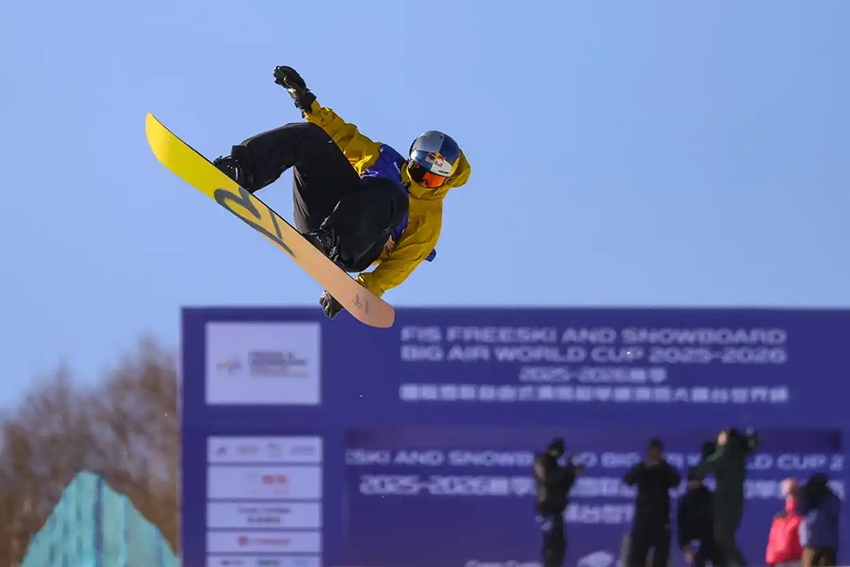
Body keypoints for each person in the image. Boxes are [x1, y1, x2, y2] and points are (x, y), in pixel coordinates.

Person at [213, 66, 471, 318]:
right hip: (319, 220)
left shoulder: (429, 218)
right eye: (417, 171)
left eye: (432, 180)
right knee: (312, 136)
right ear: (411, 159)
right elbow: (342, 135)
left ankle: (330, 240)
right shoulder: (382, 159)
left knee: (392, 194)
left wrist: (356, 291)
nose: (422, 182)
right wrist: (307, 103)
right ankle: (242, 171)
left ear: (445, 182)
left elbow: (401, 265)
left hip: (353, 247)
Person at [690, 427, 759, 567]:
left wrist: (708, 455)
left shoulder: (723, 455)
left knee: (723, 539)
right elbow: (753, 444)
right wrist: (752, 435)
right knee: (727, 538)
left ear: (727, 439)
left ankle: (739, 564)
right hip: (736, 503)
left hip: (724, 505)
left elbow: (700, 470)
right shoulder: (740, 453)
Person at [622, 438, 682, 567]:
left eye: (657, 451)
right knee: (637, 554)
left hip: (661, 518)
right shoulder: (642, 467)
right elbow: (628, 480)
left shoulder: (665, 468)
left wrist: (662, 466)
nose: (654, 454)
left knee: (661, 555)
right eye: (652, 451)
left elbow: (676, 481)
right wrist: (643, 467)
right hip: (643, 517)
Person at [533, 438, 584, 567]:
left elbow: (564, 487)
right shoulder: (542, 461)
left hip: (557, 510)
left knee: (559, 545)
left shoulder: (556, 466)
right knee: (552, 544)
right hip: (547, 508)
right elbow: (548, 478)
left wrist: (572, 473)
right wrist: (568, 470)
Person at [678, 469, 722, 567]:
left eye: (696, 480)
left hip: (711, 539)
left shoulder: (711, 498)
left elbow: (718, 519)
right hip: (694, 541)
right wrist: (685, 547)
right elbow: (681, 524)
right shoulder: (685, 501)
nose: (694, 483)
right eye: (692, 481)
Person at [796, 473, 841, 567]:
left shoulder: (830, 497)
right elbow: (799, 510)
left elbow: (835, 509)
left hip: (825, 544)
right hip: (813, 544)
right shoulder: (806, 496)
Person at [765, 478, 803, 567]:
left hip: (797, 561)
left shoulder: (802, 516)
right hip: (780, 562)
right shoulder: (779, 518)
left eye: (793, 494)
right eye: (788, 495)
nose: (790, 497)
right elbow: (773, 543)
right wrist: (771, 561)